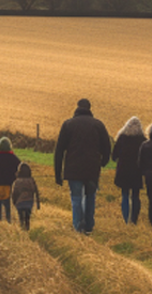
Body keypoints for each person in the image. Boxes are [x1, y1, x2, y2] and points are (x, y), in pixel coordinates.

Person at [52, 98, 112, 235]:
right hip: (92, 169)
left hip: (73, 170)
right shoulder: (98, 125)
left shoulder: (68, 125)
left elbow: (59, 150)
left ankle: (78, 227)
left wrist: (58, 173)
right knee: (90, 196)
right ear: (90, 109)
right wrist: (102, 162)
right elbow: (107, 147)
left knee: (76, 198)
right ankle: (89, 227)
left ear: (77, 108)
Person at [111, 116, 146, 226]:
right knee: (135, 195)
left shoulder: (122, 138)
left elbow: (114, 155)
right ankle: (134, 220)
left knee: (125, 194)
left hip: (123, 171)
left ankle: (126, 219)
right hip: (137, 172)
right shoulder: (143, 141)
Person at [0, 137, 23, 223]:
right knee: (7, 203)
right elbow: (19, 170)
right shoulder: (13, 158)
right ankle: (8, 220)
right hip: (8, 185)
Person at [11, 162, 41, 231]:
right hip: (29, 202)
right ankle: (27, 229)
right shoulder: (31, 180)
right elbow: (35, 192)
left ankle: (22, 230)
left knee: (21, 218)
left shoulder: (17, 181)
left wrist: (14, 201)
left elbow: (14, 193)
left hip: (19, 203)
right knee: (27, 218)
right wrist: (38, 204)